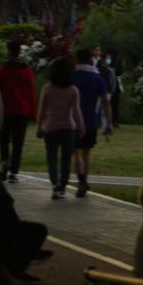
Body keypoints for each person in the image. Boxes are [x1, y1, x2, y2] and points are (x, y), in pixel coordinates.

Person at [36, 55, 84, 200]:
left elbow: (42, 110)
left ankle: (55, 185)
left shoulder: (47, 89)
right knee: (65, 160)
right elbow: (76, 111)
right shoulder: (73, 90)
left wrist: (39, 127)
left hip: (50, 128)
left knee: (51, 158)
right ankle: (62, 186)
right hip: (68, 128)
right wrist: (81, 128)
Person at [71, 46, 112, 197]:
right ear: (90, 59)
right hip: (91, 120)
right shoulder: (97, 78)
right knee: (86, 153)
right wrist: (108, 123)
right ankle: (85, 181)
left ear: (76, 59)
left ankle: (81, 181)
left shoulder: (72, 76)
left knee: (76, 152)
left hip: (74, 120)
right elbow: (106, 102)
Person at [0, 39, 37, 182]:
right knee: (18, 143)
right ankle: (14, 172)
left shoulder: (3, 69)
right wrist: (32, 111)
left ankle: (4, 164)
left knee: (4, 140)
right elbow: (31, 91)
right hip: (22, 111)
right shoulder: (26, 69)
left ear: (9, 52)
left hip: (6, 110)